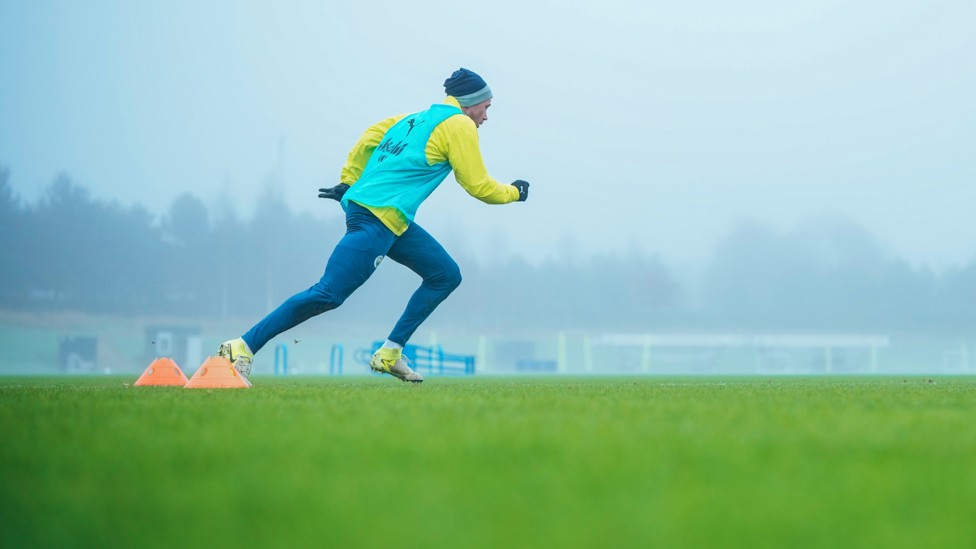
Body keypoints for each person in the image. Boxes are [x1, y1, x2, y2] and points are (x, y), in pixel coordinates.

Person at [218, 68, 530, 383]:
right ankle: (242, 346)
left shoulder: (412, 118)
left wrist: (349, 180)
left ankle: (390, 353)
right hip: (376, 217)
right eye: (486, 107)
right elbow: (478, 186)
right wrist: (514, 193)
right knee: (327, 294)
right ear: (469, 102)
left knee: (445, 275)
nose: (486, 116)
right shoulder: (460, 124)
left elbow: (369, 137)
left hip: (388, 218)